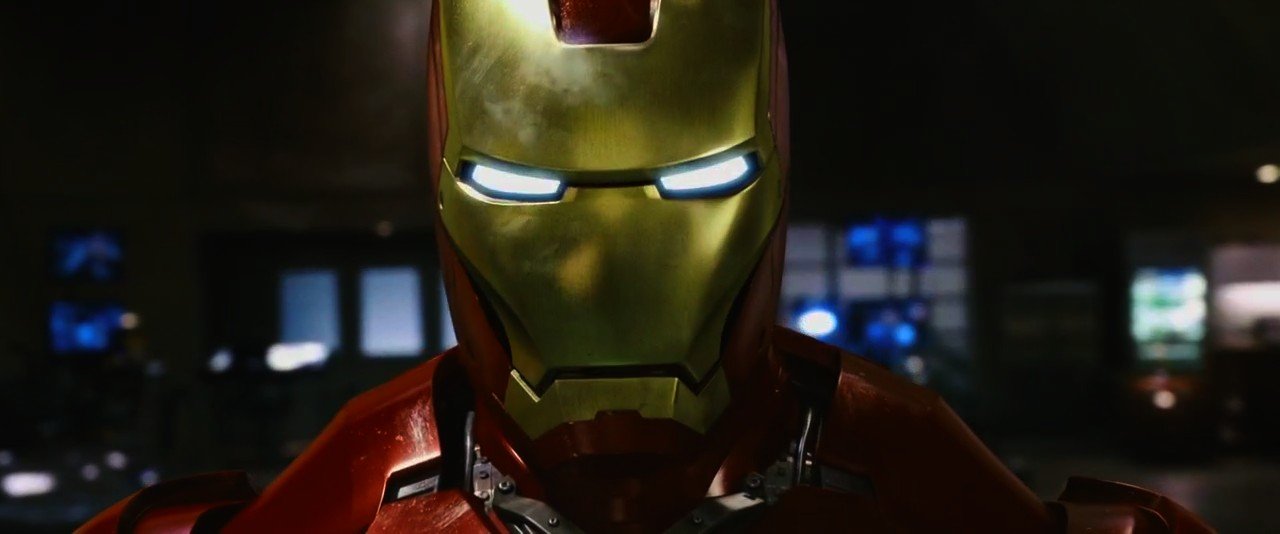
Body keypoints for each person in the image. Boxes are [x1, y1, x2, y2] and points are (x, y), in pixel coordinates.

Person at [81, 0, 1212, 531]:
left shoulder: (879, 439)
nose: (601, 260)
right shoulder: (391, 456)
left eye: (697, 180)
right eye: (525, 186)